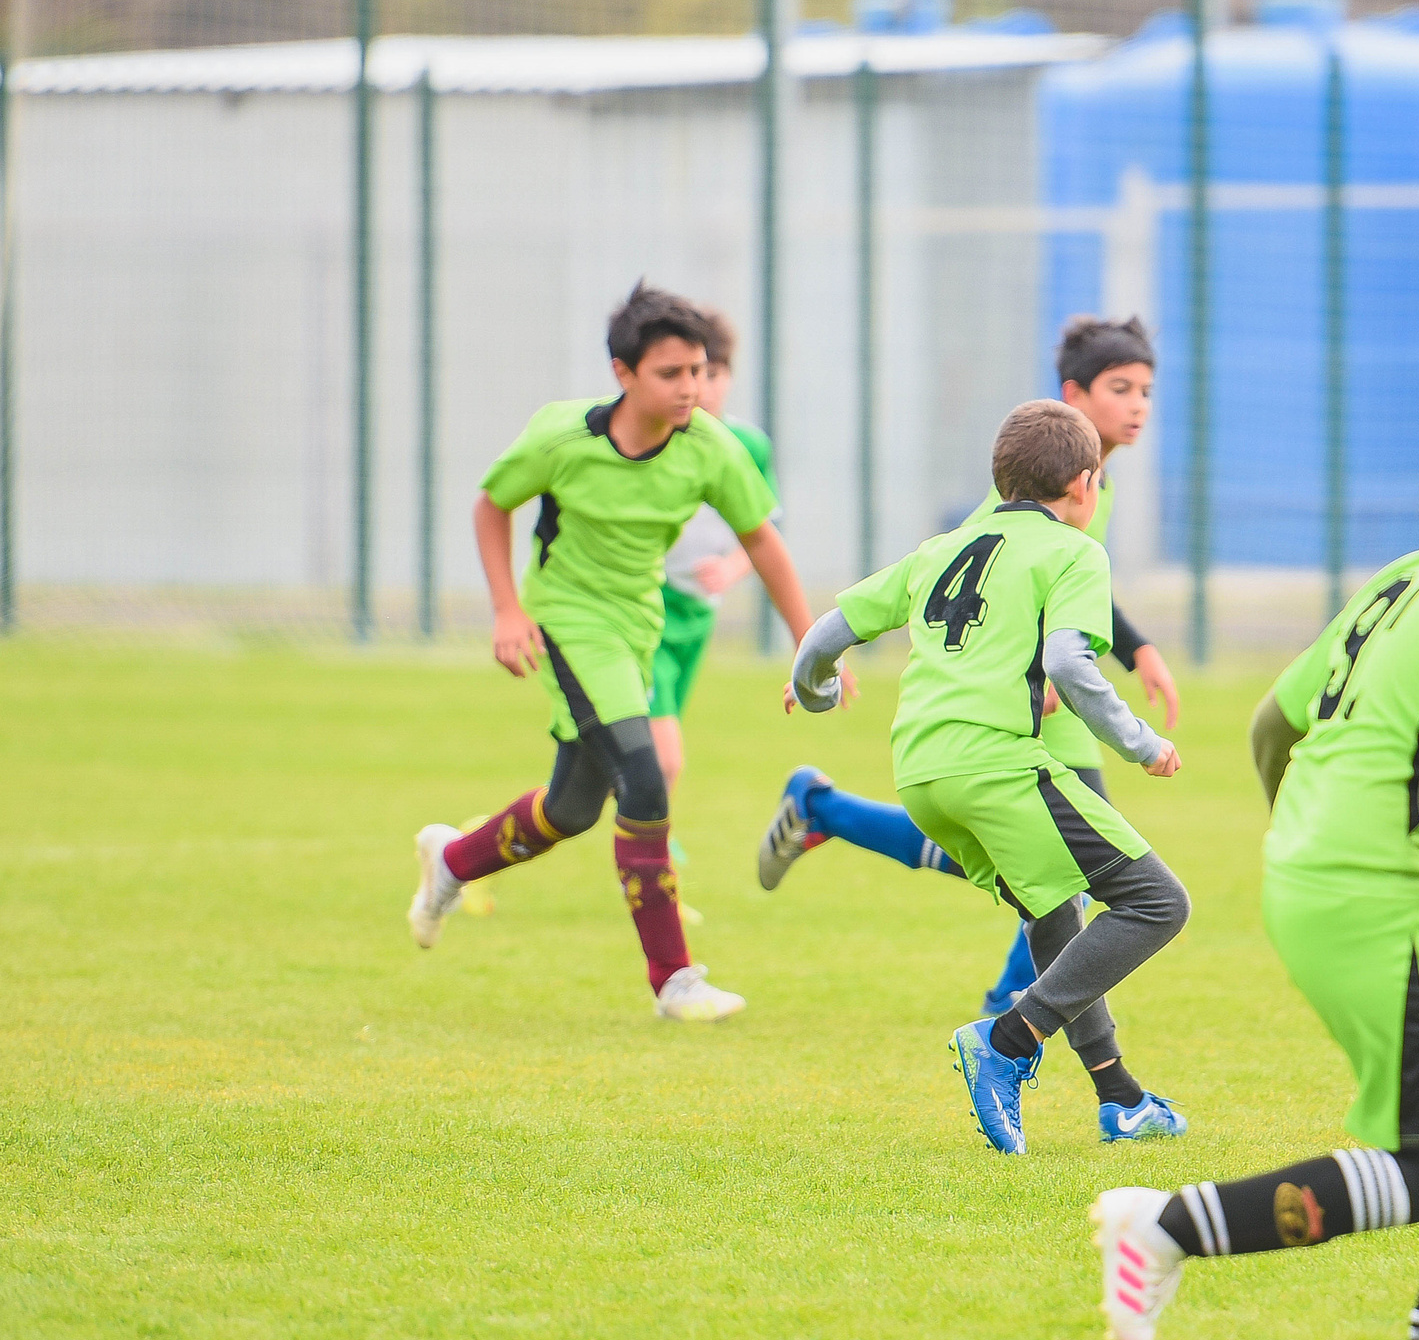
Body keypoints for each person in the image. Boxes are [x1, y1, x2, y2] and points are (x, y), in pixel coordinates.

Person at [1090, 387, 1419, 1340]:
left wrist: (1306, 833)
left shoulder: (1398, 577)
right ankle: (1164, 1225)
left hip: (1324, 876)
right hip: (1373, 896)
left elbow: (1272, 721)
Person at [405, 282, 840, 1021]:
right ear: (623, 373)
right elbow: (491, 504)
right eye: (671, 373)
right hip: (569, 622)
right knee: (645, 776)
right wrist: (507, 608)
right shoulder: (562, 438)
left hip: (637, 628)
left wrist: (810, 645)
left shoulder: (711, 447)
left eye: (698, 371)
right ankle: (674, 980)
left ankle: (452, 861)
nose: (691, 388)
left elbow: (762, 541)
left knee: (571, 808)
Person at [785, 400, 1190, 1151]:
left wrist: (817, 692)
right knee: (1158, 902)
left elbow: (823, 636)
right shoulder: (1074, 550)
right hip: (996, 764)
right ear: (1084, 483)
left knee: (1054, 911)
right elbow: (1069, 662)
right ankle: (1006, 1041)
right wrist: (1141, 743)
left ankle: (1120, 1099)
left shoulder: (942, 547)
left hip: (920, 774)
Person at [756, 317, 1176, 1017]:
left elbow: (1074, 584)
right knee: (1064, 868)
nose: (1138, 405)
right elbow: (984, 577)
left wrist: (1137, 650)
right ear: (1074, 394)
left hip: (1051, 694)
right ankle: (1008, 1010)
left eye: (1147, 391)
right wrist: (1016, 668)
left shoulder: (1088, 488)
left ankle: (824, 811)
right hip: (1029, 699)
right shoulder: (1036, 491)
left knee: (1043, 865)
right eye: (1120, 388)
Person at [640, 306, 783, 921]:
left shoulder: (745, 445)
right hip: (644, 613)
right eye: (685, 373)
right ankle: (655, 877)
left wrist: (729, 569)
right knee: (663, 760)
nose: (700, 387)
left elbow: (764, 532)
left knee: (600, 775)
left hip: (696, 618)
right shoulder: (652, 438)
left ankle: (477, 842)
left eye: (712, 373)